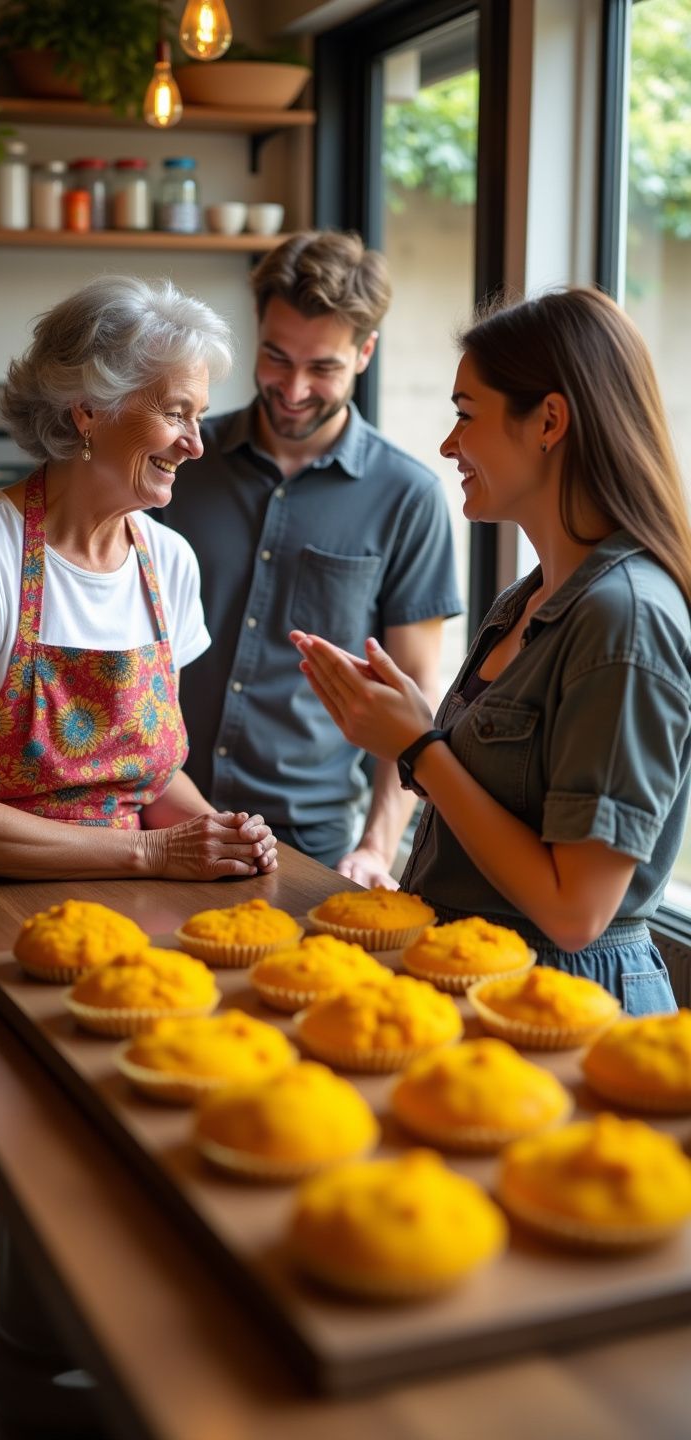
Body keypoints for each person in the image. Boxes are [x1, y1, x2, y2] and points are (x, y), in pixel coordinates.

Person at [0, 273, 277, 1440]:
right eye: (177, 412)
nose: (199, 441)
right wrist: (158, 851)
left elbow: (154, 769)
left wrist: (215, 830)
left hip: (117, 948)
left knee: (95, 1240)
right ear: (89, 409)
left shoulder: (165, 565)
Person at [293, 285, 691, 1016]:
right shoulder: (529, 599)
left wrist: (418, 749)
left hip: (564, 1008)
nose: (448, 444)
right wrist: (407, 724)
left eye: (465, 416)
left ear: (548, 421)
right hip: (473, 982)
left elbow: (577, 913)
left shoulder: (624, 617)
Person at [159, 230, 462, 888]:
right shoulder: (177, 461)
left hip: (308, 845)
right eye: (275, 357)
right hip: (155, 820)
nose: (293, 388)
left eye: (322, 367)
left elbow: (412, 693)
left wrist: (377, 848)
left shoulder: (408, 497)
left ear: (364, 353)